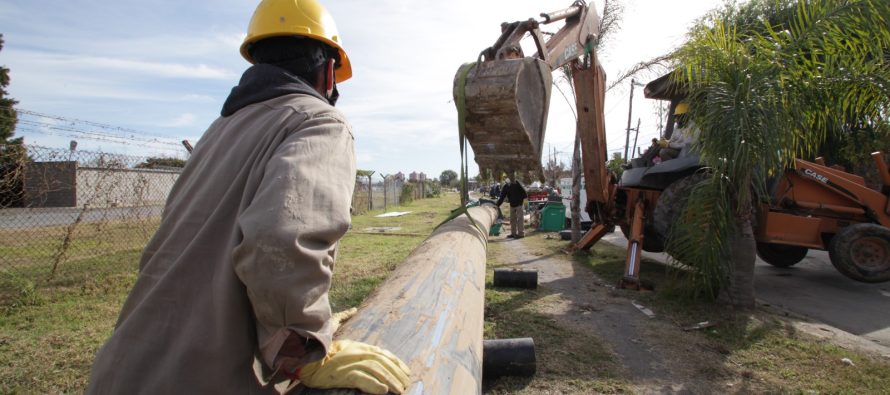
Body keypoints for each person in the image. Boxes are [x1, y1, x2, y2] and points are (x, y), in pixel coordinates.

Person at [86, 1, 410, 394]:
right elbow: (281, 241)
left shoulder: (219, 130)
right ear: (328, 72)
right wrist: (301, 348)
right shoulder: (319, 120)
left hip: (125, 370)